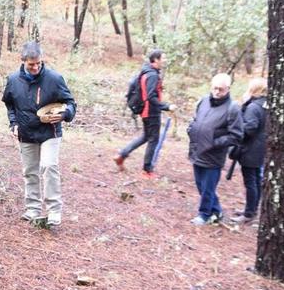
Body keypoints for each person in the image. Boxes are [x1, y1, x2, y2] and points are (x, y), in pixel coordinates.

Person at [2, 41, 77, 227]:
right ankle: (33, 209)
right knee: (30, 172)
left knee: (49, 166)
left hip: (50, 131)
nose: (35, 67)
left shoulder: (54, 78)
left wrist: (65, 114)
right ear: (23, 61)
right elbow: (9, 103)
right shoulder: (13, 81)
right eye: (31, 64)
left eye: (38, 64)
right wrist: (13, 123)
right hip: (26, 133)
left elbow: (70, 103)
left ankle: (53, 211)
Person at [187, 73, 244, 226]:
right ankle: (217, 211)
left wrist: (215, 142)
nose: (217, 92)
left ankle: (204, 214)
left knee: (208, 187)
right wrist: (191, 129)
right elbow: (195, 119)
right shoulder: (203, 101)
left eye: (221, 89)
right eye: (215, 88)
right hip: (197, 150)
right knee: (201, 185)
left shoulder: (232, 108)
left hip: (213, 155)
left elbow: (236, 135)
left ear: (228, 89)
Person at [114, 49, 177, 178]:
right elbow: (150, 96)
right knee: (153, 140)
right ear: (156, 60)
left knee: (146, 137)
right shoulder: (153, 75)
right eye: (163, 58)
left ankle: (122, 155)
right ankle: (147, 170)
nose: (165, 60)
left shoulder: (147, 72)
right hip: (151, 112)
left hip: (146, 111)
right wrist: (167, 106)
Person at [231, 78, 268, 224]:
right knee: (256, 180)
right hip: (260, 149)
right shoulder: (265, 105)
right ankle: (252, 209)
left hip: (251, 149)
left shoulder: (254, 107)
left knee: (251, 181)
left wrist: (237, 131)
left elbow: (250, 128)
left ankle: (249, 213)